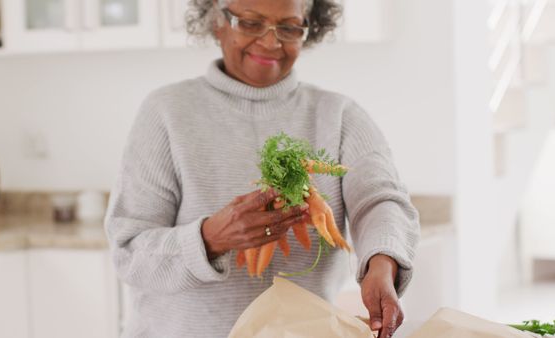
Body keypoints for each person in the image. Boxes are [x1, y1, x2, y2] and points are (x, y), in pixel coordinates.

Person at [104, 0, 420, 337]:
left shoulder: (339, 115)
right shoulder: (166, 112)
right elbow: (129, 251)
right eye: (251, 23)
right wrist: (210, 238)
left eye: (288, 27)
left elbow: (380, 200)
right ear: (216, 21)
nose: (271, 42)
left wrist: (381, 263)